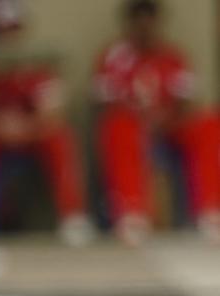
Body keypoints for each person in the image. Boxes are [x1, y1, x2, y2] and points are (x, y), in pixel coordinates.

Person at [93, 0, 220, 245]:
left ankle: (211, 210)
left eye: (149, 23)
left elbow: (187, 103)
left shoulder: (173, 56)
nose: (144, 29)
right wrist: (140, 117)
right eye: (138, 23)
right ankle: (132, 214)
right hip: (132, 127)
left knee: (209, 121)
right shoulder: (112, 58)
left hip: (169, 127)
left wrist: (165, 118)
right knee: (118, 125)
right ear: (128, 25)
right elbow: (102, 105)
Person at [0, 0, 92, 246]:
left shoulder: (38, 64)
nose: (8, 37)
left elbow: (53, 112)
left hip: (33, 135)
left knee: (60, 136)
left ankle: (73, 216)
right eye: (2, 31)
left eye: (13, 30)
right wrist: (1, 127)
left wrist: (23, 128)